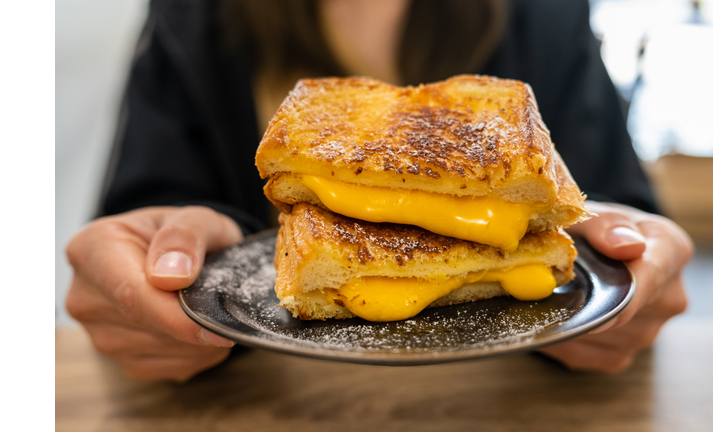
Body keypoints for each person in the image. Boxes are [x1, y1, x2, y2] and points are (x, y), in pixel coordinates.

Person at [65, 0, 693, 382]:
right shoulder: (190, 15)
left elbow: (611, 206)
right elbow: (145, 212)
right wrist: (149, 275)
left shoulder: (548, 12)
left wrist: (635, 264)